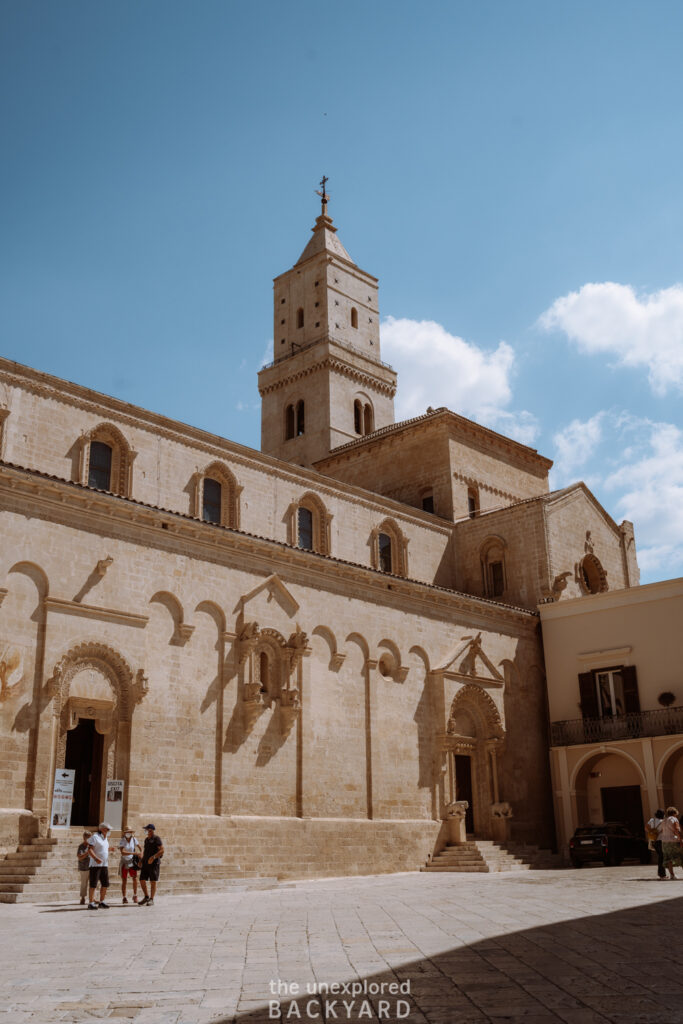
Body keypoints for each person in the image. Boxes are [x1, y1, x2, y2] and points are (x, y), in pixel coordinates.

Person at [87, 822, 114, 909]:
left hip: (104, 864)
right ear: (102, 829)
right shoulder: (95, 837)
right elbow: (90, 849)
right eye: (107, 829)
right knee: (93, 884)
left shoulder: (105, 838)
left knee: (105, 884)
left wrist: (109, 849)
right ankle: (91, 902)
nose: (109, 831)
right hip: (95, 865)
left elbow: (102, 848)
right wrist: (95, 858)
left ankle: (102, 901)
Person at [138, 823, 164, 907]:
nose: (145, 831)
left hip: (154, 864)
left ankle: (152, 899)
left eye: (147, 829)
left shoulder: (157, 839)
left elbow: (162, 850)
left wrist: (153, 857)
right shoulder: (146, 840)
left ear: (151, 830)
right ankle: (146, 896)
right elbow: (145, 851)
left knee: (153, 881)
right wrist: (141, 860)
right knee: (142, 879)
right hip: (145, 863)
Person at [118, 826, 141, 904]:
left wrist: (141, 854)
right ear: (125, 833)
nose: (129, 833)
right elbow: (122, 852)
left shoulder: (134, 840)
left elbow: (140, 847)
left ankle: (135, 895)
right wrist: (134, 853)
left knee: (134, 878)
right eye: (127, 832)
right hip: (124, 861)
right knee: (124, 880)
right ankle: (124, 897)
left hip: (132, 861)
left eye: (130, 832)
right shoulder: (122, 840)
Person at [660, 806, 683, 880]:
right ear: (675, 813)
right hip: (673, 841)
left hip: (665, 842)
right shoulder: (674, 819)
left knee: (669, 858)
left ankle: (672, 875)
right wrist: (681, 839)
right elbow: (677, 830)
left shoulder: (664, 820)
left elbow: (662, 831)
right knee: (681, 856)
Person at [645, 809, 666, 880]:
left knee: (660, 856)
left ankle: (661, 873)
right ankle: (662, 874)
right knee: (661, 857)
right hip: (661, 840)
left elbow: (646, 827)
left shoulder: (652, 820)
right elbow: (664, 830)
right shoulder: (663, 821)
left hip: (654, 840)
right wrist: (659, 832)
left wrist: (651, 832)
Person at [76, 831, 92, 905]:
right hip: (84, 868)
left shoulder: (92, 846)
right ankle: (83, 898)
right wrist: (88, 852)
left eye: (90, 837)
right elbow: (80, 857)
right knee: (84, 883)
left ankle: (92, 898)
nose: (89, 838)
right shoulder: (81, 846)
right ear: (84, 838)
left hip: (92, 867)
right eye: (87, 837)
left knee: (92, 884)